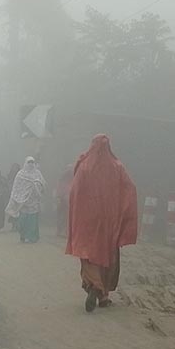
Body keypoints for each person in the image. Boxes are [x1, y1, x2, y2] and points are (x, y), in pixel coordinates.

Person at [65, 134, 138, 312]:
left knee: (88, 252)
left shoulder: (84, 167)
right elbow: (130, 189)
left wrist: (77, 215)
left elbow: (74, 192)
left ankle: (94, 285)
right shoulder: (117, 167)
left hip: (87, 219)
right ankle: (104, 295)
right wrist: (122, 215)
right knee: (108, 254)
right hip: (109, 220)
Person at [4, 156, 46, 243]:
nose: (30, 164)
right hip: (23, 202)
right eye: (29, 162)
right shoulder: (20, 174)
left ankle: (32, 237)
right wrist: (19, 196)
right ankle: (23, 235)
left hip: (34, 201)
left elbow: (43, 184)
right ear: (25, 163)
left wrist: (37, 185)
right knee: (22, 221)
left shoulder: (37, 173)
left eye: (32, 162)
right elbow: (16, 187)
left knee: (33, 221)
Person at [54, 164, 73, 238]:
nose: (70, 171)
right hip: (62, 200)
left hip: (68, 201)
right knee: (61, 216)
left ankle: (66, 231)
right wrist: (58, 198)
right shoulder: (62, 180)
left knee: (66, 216)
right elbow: (58, 189)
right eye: (68, 169)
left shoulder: (73, 180)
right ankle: (60, 230)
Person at [5, 162, 22, 233]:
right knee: (12, 211)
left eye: (16, 168)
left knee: (19, 210)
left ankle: (18, 225)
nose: (14, 169)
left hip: (20, 196)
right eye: (13, 168)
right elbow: (7, 185)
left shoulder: (21, 176)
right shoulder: (10, 176)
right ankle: (14, 225)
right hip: (11, 196)